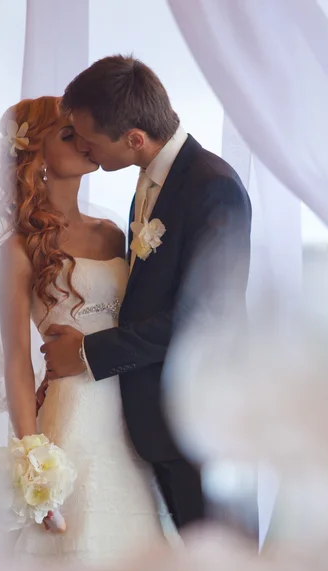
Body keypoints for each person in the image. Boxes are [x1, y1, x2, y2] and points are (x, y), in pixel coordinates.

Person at [40, 55, 253, 531]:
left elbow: (204, 319)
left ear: (134, 139)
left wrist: (88, 353)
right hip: (156, 426)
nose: (86, 152)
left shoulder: (212, 187)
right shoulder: (148, 183)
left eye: (90, 141)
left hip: (202, 425)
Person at [0, 96, 174, 565]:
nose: (85, 143)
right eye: (67, 134)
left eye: (83, 131)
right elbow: (17, 358)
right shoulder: (19, 248)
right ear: (35, 151)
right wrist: (33, 464)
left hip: (130, 411)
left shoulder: (114, 233)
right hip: (73, 413)